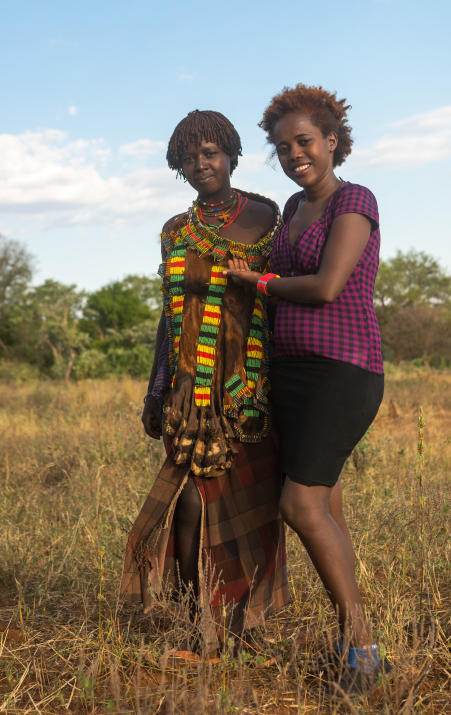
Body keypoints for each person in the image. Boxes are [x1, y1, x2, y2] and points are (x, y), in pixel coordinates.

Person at [223, 85, 390, 696]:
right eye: (283, 146)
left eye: (305, 142)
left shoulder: (355, 200)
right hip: (289, 374)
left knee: (300, 507)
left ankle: (365, 652)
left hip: (342, 369)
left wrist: (260, 282)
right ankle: (355, 640)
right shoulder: (291, 209)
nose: (295, 154)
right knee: (327, 508)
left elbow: (325, 287)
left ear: (332, 142)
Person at [120, 110, 288, 653]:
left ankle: (249, 624)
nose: (201, 164)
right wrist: (154, 390)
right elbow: (169, 317)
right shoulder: (174, 231)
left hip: (250, 388)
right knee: (191, 499)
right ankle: (198, 624)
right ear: (179, 167)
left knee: (257, 505)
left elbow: (284, 294)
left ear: (233, 155)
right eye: (189, 158)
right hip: (190, 391)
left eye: (211, 152)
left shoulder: (267, 216)